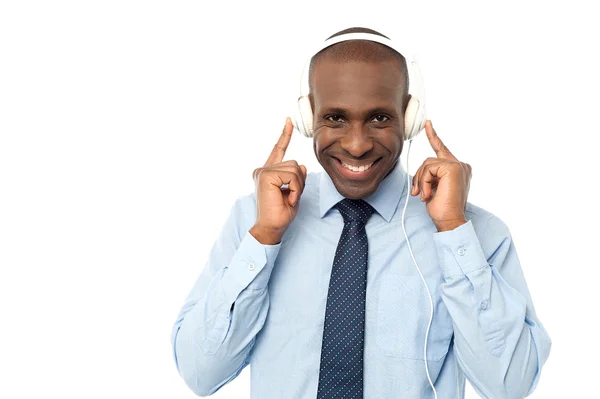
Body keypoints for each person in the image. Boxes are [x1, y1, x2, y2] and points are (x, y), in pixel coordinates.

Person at [170, 27, 551, 398]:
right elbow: (201, 374)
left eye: (380, 118)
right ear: (308, 117)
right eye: (335, 118)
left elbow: (510, 386)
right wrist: (265, 236)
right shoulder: (253, 219)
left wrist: (452, 228)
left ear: (410, 117)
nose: (356, 145)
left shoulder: (473, 232)